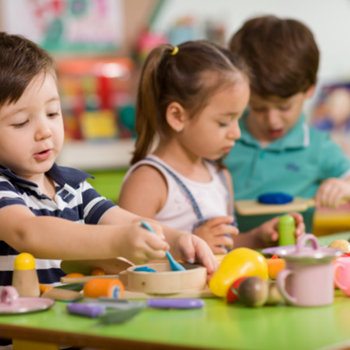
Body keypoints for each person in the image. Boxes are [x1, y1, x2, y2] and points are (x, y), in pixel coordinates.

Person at [0, 32, 217, 291]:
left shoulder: (74, 187)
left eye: (52, 113)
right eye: (21, 122)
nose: (45, 131)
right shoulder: (4, 189)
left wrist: (178, 239)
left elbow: (126, 221)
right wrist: (118, 241)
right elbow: (29, 233)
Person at [118, 41, 304, 254]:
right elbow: (126, 261)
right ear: (177, 117)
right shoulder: (148, 182)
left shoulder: (221, 176)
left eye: (239, 119)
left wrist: (258, 237)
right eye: (224, 122)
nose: (236, 133)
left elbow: (224, 248)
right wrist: (189, 248)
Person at [225, 15, 350, 233]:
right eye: (258, 107)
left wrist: (344, 187)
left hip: (291, 262)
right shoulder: (222, 135)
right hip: (222, 260)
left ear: (310, 89)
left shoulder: (319, 147)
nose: (272, 120)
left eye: (284, 107)